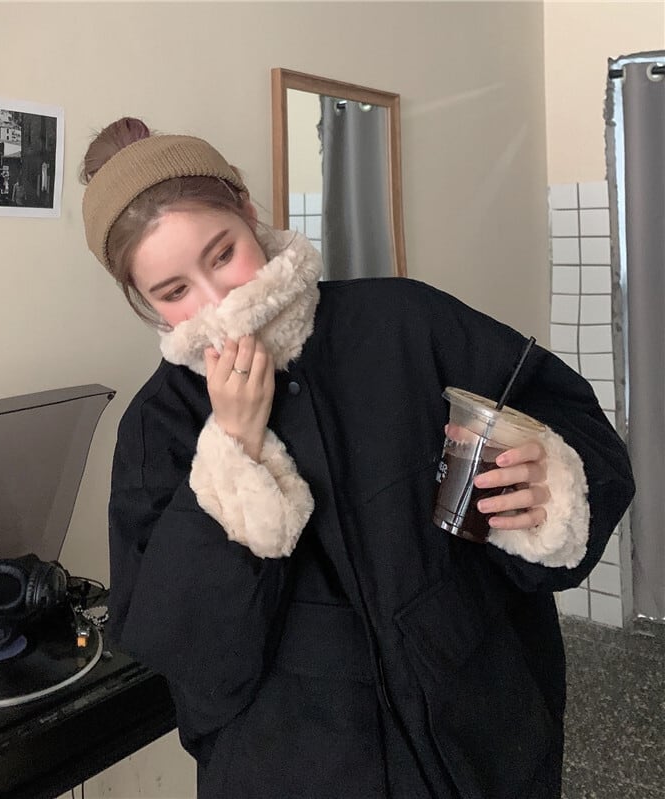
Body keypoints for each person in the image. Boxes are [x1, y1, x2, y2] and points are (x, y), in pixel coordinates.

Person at [80, 117, 634, 799]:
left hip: (482, 729)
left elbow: (571, 418)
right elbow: (187, 648)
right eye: (174, 292)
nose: (217, 302)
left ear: (249, 213)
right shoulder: (157, 427)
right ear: (145, 303)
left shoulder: (405, 319)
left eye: (222, 255)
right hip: (295, 769)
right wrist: (233, 450)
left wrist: (549, 473)